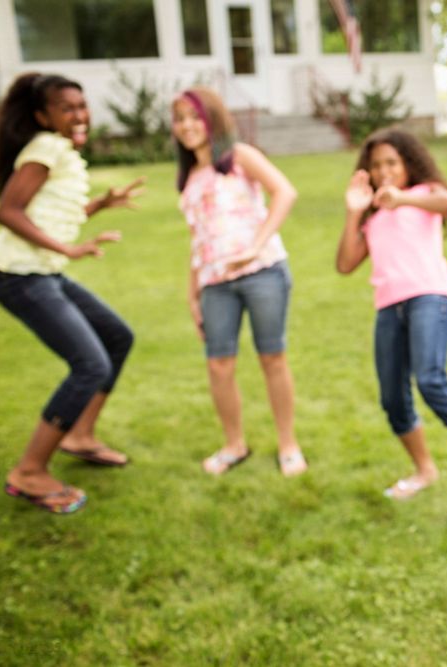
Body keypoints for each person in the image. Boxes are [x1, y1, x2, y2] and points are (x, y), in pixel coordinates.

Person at [336, 127, 447, 528]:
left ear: (407, 165)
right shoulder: (373, 213)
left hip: (428, 297)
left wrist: (402, 197)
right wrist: (355, 210)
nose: (384, 172)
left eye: (391, 163)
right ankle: (424, 470)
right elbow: (346, 264)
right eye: (376, 165)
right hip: (389, 306)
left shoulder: (425, 194)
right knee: (392, 398)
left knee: (431, 380)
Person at [0, 72, 144, 514]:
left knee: (117, 337)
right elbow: (9, 212)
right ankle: (30, 471)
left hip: (43, 273)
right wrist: (68, 249)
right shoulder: (46, 148)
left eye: (81, 105)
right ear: (42, 116)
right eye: (66, 108)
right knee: (90, 364)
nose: (79, 115)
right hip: (19, 275)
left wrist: (99, 205)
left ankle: (79, 435)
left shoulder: (59, 150)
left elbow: (50, 209)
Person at [171, 87, 307, 477]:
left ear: (211, 118)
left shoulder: (238, 157)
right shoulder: (188, 178)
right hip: (214, 283)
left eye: (194, 116)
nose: (187, 126)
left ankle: (288, 445)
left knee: (272, 357)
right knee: (219, 365)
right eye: (179, 119)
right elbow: (198, 238)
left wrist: (256, 245)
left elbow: (285, 192)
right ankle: (234, 444)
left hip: (263, 272)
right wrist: (192, 292)